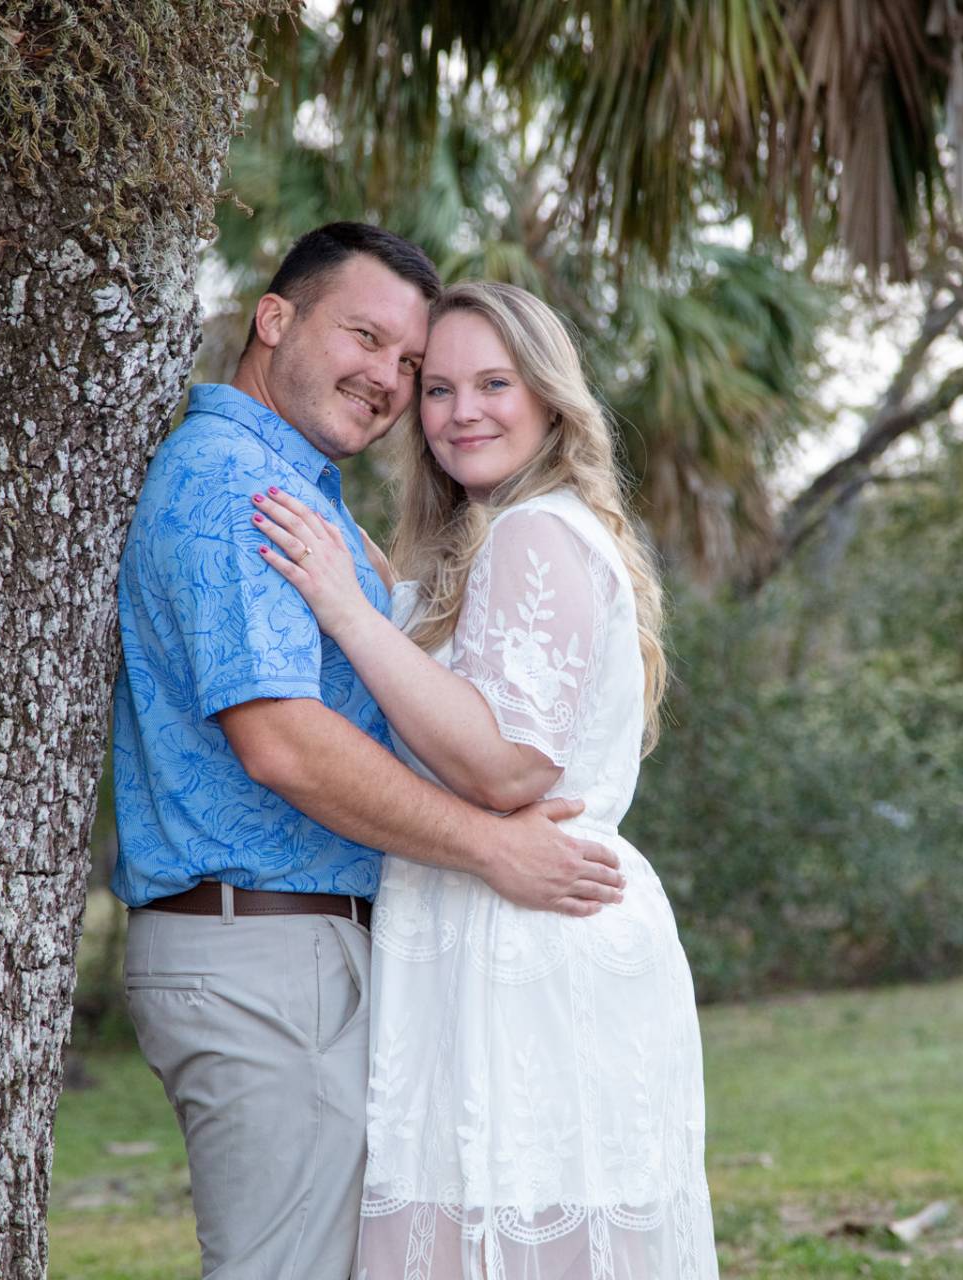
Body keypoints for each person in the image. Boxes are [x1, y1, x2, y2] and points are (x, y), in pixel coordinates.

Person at [111, 224, 628, 1280]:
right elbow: (284, 744)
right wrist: (491, 846)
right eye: (365, 336)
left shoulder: (303, 491)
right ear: (274, 318)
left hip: (304, 946)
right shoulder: (233, 484)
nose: (388, 379)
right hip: (262, 948)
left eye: (409, 364)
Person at [250, 281, 718, 1279]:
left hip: (529, 936)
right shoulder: (499, 534)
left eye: (495, 384)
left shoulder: (533, 534)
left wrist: (348, 610)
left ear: (550, 398)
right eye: (440, 387)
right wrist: (371, 581)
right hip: (511, 921)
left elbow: (509, 764)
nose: (463, 412)